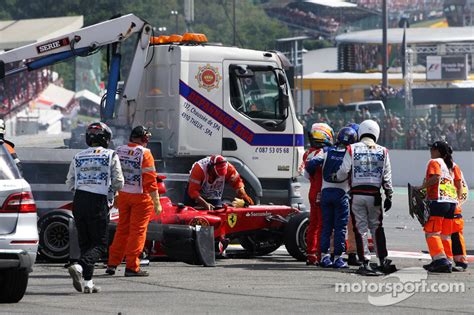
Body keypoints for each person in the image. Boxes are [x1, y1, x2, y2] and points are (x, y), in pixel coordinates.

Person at [66, 122, 124, 293]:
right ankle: (79, 266)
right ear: (106, 138)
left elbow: (69, 183)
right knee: (99, 244)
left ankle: (88, 283)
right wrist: (111, 190)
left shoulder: (78, 156)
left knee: (86, 243)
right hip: (98, 200)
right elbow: (119, 182)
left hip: (79, 200)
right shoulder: (110, 155)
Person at [334, 119, 395, 275]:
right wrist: (389, 195)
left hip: (357, 195)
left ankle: (365, 262)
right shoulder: (383, 151)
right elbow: (387, 176)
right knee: (377, 227)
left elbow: (343, 171)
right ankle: (382, 260)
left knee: (360, 229)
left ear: (360, 132)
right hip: (375, 195)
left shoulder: (351, 149)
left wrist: (336, 177)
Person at [107, 126, 162, 277]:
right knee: (137, 232)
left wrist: (116, 195)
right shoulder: (145, 153)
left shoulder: (119, 150)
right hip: (141, 198)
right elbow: (150, 180)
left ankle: (112, 263)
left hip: (123, 195)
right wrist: (156, 201)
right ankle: (132, 266)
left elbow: (114, 175)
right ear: (144, 138)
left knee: (122, 229)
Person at [307, 127, 357, 268]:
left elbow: (310, 165)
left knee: (326, 227)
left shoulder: (326, 151)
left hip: (325, 192)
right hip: (341, 193)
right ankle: (339, 258)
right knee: (340, 228)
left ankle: (324, 257)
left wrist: (315, 176)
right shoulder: (350, 153)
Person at [415, 141, 458, 273]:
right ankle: (447, 260)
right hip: (451, 202)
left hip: (439, 201)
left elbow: (435, 178)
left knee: (432, 232)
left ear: (438, 151)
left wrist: (420, 188)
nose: (431, 151)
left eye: (433, 149)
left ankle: (440, 260)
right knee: (445, 235)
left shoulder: (435, 162)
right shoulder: (449, 165)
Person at [302, 123, 334, 265]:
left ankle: (311, 254)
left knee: (313, 224)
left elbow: (305, 175)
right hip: (322, 190)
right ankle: (321, 255)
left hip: (312, 189)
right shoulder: (325, 152)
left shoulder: (307, 153)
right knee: (323, 224)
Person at [184, 155, 254, 209]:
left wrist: (243, 193)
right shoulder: (199, 169)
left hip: (214, 193)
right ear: (211, 168)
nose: (219, 177)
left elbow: (237, 182)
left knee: (217, 212)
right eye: (217, 174)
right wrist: (205, 204)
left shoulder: (229, 168)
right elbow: (193, 191)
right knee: (188, 210)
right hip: (196, 193)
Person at [452, 162, 468, 271]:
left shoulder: (454, 168)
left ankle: (461, 261)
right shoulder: (433, 166)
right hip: (439, 207)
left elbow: (463, 190)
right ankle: (443, 261)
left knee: (455, 234)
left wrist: (456, 203)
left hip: (452, 207)